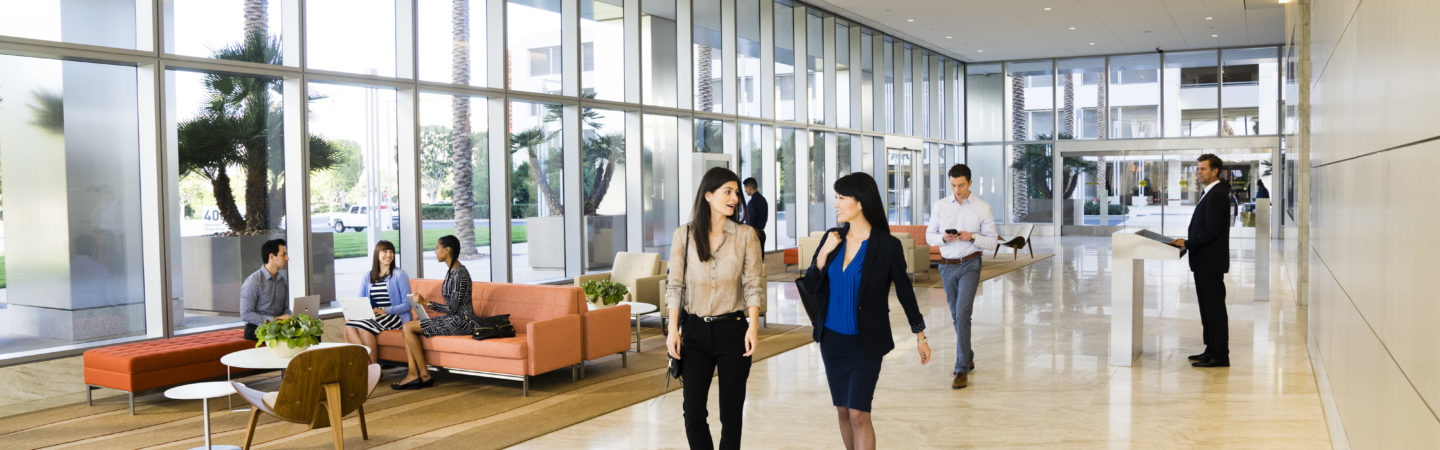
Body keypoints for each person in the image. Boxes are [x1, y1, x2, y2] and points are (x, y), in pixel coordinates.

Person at [801, 172, 930, 450]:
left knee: (859, 412)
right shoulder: (832, 239)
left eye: (841, 198)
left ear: (860, 202)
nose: (835, 204)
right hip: (832, 341)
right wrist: (823, 254)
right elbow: (811, 285)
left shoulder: (887, 246)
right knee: (843, 410)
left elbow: (906, 292)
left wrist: (920, 334)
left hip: (865, 342)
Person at [664, 167, 764, 450]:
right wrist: (673, 330)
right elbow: (675, 286)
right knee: (693, 411)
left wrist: (753, 326)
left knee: (731, 415)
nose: (735, 198)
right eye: (727, 192)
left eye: (736, 192)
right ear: (708, 195)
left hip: (733, 330)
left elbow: (753, 285)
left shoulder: (746, 236)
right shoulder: (684, 234)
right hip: (694, 332)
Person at [924, 164, 998, 389]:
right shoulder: (940, 206)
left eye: (961, 185)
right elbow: (929, 236)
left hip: (970, 264)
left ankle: (961, 368)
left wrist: (972, 236)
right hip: (946, 266)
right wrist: (944, 239)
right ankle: (967, 354)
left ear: (970, 183)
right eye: (953, 185)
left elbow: (993, 241)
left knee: (963, 313)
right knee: (957, 315)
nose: (957, 190)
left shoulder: (982, 208)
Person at [1171, 154, 1232, 368]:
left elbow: (1210, 231)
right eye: (1198, 169)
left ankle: (1220, 355)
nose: (1199, 173)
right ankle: (1211, 350)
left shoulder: (1216, 194)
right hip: (1205, 261)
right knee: (1208, 310)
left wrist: (1188, 243)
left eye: (1203, 169)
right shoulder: (1212, 192)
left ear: (1215, 171)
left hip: (1210, 262)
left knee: (1214, 310)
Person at [391, 235, 473, 389]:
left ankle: (422, 374)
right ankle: (415, 374)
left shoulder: (459, 274)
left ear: (447, 250)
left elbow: (453, 309)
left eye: (437, 248)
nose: (435, 252)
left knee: (408, 327)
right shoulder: (451, 271)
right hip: (453, 319)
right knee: (407, 327)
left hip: (462, 322)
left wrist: (425, 303)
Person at [344, 240, 413, 365]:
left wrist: (385, 310)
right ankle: (369, 365)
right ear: (377, 254)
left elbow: (408, 305)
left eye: (391, 251)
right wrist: (354, 312)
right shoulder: (368, 276)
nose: (389, 255)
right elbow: (360, 300)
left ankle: (373, 366)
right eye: (385, 251)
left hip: (395, 316)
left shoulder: (399, 274)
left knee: (364, 328)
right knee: (349, 326)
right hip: (374, 314)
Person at [239, 238, 291, 341]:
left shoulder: (282, 282)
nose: (287, 258)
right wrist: (275, 320)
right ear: (271, 256)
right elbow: (245, 314)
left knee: (312, 333)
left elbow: (285, 308)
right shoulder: (253, 281)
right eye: (283, 255)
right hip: (257, 327)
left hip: (277, 326)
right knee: (282, 337)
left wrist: (290, 317)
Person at [743, 177, 768, 248]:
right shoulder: (763, 200)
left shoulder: (752, 203)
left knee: (753, 258)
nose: (745, 190)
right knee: (760, 258)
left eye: (745, 188)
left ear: (750, 188)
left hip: (754, 235)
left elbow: (750, 222)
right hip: (762, 234)